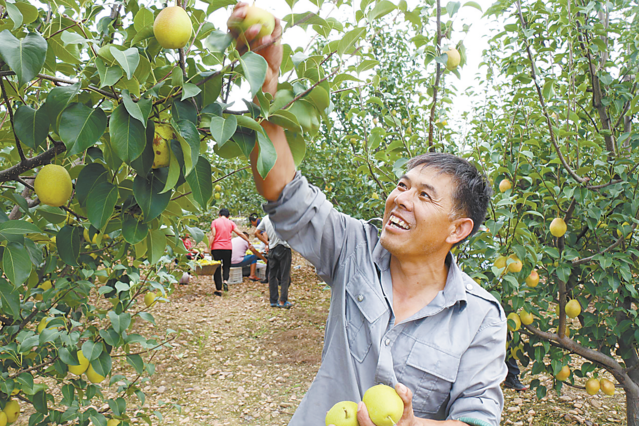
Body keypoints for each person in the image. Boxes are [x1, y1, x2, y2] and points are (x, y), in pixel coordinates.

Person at [227, 4, 507, 425]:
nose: (401, 200)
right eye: (401, 186)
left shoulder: (481, 317)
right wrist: (266, 88)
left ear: (458, 228)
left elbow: (478, 417)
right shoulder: (354, 248)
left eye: (425, 196)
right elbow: (283, 192)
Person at [210, 208, 253, 296]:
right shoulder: (231, 223)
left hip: (216, 248)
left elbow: (213, 235)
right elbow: (240, 233)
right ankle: (225, 280)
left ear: (219, 215)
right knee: (226, 266)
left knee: (217, 268)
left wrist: (208, 246)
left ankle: (219, 290)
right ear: (228, 216)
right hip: (227, 248)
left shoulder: (215, 222)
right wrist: (248, 241)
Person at [256, 215, 293, 308]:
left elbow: (256, 232)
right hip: (283, 248)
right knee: (284, 275)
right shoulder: (284, 216)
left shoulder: (266, 218)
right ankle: (283, 301)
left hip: (272, 249)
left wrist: (267, 243)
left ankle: (273, 300)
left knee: (272, 275)